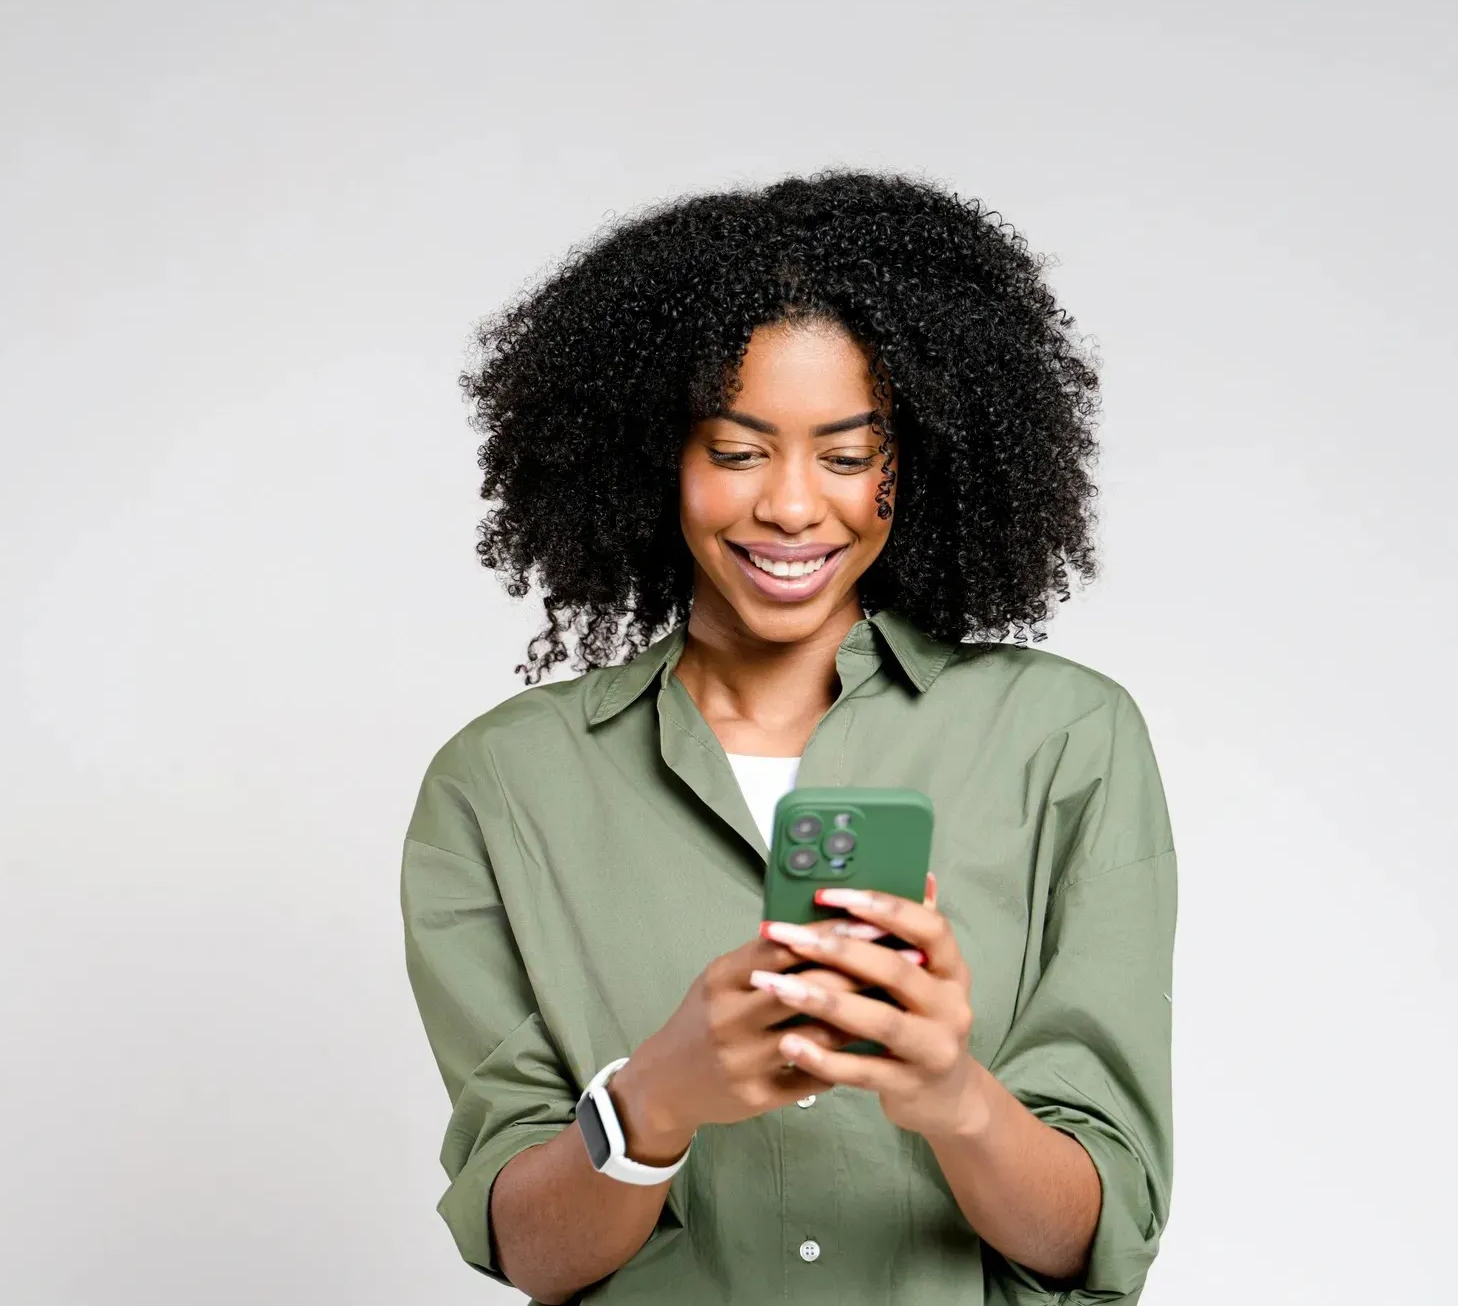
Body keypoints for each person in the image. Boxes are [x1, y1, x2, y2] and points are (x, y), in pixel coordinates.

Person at [400, 168, 1177, 1305]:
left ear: (910, 468)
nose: (793, 506)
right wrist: (653, 1101)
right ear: (654, 456)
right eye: (736, 449)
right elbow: (529, 1248)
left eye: (848, 454)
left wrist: (950, 1095)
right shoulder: (503, 784)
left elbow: (1094, 1238)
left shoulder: (1064, 740)